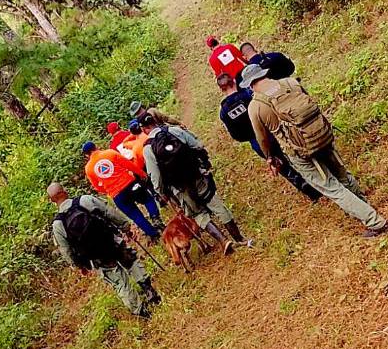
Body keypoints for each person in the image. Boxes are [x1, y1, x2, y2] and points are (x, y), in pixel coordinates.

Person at [240, 64, 388, 237]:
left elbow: (263, 139)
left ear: (251, 85)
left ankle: (374, 221)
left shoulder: (256, 107)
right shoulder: (290, 83)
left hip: (298, 150)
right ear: (264, 74)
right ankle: (362, 203)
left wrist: (269, 158)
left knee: (332, 188)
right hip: (320, 134)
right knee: (341, 173)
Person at [140, 114, 248, 254]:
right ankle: (238, 238)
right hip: (196, 175)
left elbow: (155, 177)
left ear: (144, 129)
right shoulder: (174, 131)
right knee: (214, 202)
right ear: (155, 121)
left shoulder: (148, 149)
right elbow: (197, 145)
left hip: (179, 187)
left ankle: (223, 240)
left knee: (198, 214)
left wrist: (162, 193)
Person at [48, 182, 160, 318]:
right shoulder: (84, 200)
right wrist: (125, 226)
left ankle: (141, 311)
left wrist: (79, 265)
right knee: (131, 262)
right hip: (112, 241)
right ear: (64, 191)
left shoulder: (58, 224)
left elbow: (66, 250)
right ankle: (148, 289)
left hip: (97, 257)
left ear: (52, 200)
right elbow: (109, 212)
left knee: (119, 281)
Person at [216, 74, 321, 202]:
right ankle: (318, 182)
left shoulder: (224, 111)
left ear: (221, 89)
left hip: (257, 143)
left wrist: (251, 137)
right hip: (272, 132)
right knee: (296, 156)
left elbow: (235, 135)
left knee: (282, 167)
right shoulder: (249, 95)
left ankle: (310, 192)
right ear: (234, 81)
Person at [83, 142, 163, 240]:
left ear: (87, 155)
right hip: (130, 184)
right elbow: (128, 164)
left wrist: (108, 191)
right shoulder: (110, 153)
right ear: (96, 147)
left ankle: (153, 234)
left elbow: (97, 187)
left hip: (117, 194)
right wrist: (141, 173)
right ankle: (155, 217)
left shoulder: (88, 169)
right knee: (147, 199)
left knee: (135, 215)